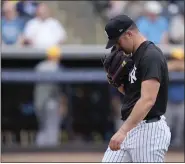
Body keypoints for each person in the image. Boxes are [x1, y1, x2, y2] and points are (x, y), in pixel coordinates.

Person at [102, 14, 171, 162]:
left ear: (129, 34)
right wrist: (117, 84)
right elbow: (132, 94)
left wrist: (122, 131)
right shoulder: (132, 57)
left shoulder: (151, 56)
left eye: (118, 41)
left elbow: (147, 100)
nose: (117, 47)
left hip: (149, 130)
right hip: (132, 125)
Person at [34, 46, 67, 147]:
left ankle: (38, 155)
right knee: (52, 128)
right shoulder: (57, 68)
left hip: (38, 102)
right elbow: (60, 90)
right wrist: (63, 105)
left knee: (43, 128)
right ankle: (50, 156)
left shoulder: (39, 67)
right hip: (52, 102)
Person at [166, 48, 184, 147]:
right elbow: (165, 70)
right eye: (176, 59)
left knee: (180, 126)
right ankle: (166, 144)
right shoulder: (167, 70)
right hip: (169, 102)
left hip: (181, 102)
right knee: (168, 124)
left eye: (180, 59)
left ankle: (178, 148)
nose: (178, 61)